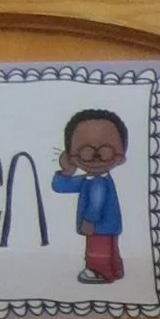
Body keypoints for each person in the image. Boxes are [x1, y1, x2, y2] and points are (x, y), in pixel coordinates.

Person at [50, 108, 130, 288]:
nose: (95, 158)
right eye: (85, 152)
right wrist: (66, 172)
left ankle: (99, 271)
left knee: (98, 249)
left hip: (99, 225)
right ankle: (114, 269)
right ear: (72, 156)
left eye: (106, 152)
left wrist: (89, 220)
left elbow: (96, 202)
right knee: (110, 248)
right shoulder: (88, 180)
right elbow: (61, 187)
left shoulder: (98, 183)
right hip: (106, 225)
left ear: (121, 157)